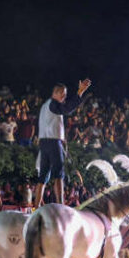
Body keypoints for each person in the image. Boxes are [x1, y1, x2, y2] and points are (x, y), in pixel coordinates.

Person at [34, 78, 91, 206]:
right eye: (63, 94)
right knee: (58, 174)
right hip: (53, 143)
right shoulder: (53, 104)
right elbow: (67, 109)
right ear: (55, 93)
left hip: (44, 143)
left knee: (43, 177)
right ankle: (61, 206)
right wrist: (79, 93)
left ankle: (35, 207)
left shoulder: (45, 105)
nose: (65, 97)